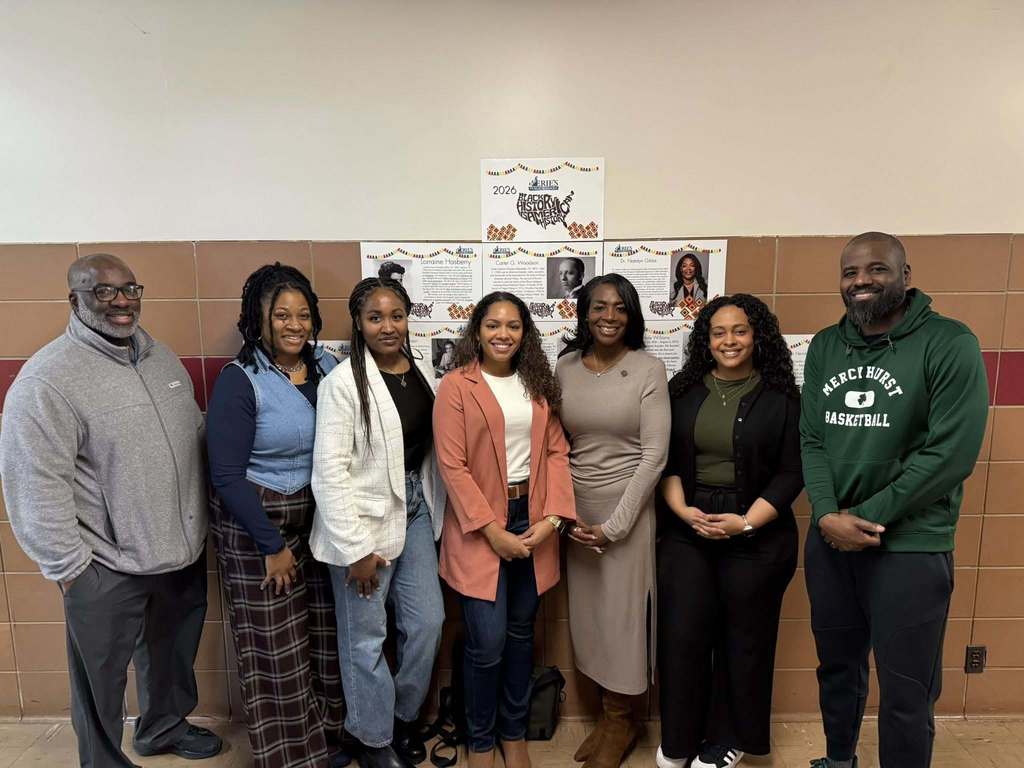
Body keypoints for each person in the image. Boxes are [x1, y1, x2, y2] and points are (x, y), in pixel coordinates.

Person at [0, 253, 221, 767]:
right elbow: (34, 483)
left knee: (170, 657)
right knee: (99, 677)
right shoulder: (48, 380)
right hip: (104, 565)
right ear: (73, 300)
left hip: (180, 550)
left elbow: (190, 435)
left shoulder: (160, 358)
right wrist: (71, 569)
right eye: (102, 291)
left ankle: (162, 727)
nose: (121, 301)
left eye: (129, 289)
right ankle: (101, 760)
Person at [800, 232, 989, 768]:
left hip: (909, 546)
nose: (861, 281)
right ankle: (839, 760)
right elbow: (812, 439)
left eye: (877, 269)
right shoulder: (826, 346)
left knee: (907, 690)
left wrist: (864, 517)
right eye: (850, 272)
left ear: (906, 275)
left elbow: (950, 456)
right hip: (831, 541)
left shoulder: (950, 342)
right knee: (837, 668)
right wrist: (826, 514)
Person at [206, 263, 347, 768]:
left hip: (319, 521)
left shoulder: (329, 368)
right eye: (280, 315)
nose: (293, 325)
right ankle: (293, 758)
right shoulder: (241, 381)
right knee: (278, 649)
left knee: (326, 637)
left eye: (303, 315)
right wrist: (272, 546)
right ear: (257, 321)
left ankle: (329, 741)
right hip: (258, 525)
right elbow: (225, 476)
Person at [656, 294, 802, 768]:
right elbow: (670, 462)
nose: (729, 341)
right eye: (718, 332)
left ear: (757, 335)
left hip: (757, 532)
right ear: (706, 339)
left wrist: (745, 522)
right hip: (688, 526)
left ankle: (729, 737)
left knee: (744, 641)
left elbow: (791, 472)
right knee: (684, 635)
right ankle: (679, 739)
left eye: (739, 330)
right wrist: (683, 512)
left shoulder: (781, 397)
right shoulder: (684, 391)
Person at [433, 291, 575, 768]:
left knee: (519, 636)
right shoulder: (456, 386)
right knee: (487, 642)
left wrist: (552, 520)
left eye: (513, 326)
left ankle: (513, 734)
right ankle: (479, 739)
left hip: (532, 522)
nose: (503, 334)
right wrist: (493, 532)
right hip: (482, 527)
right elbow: (452, 466)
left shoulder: (535, 383)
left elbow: (557, 452)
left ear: (524, 334)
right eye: (493, 325)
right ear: (477, 331)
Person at [311, 277, 446, 768]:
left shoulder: (422, 369)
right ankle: (371, 739)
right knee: (365, 638)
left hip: (414, 511)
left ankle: (401, 719)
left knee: (428, 623)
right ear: (359, 324)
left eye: (396, 316)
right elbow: (328, 472)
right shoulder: (341, 384)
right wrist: (355, 551)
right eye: (375, 318)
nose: (388, 326)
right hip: (361, 523)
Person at [555, 274, 670, 768]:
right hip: (577, 520)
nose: (609, 316)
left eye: (620, 308)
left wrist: (615, 525)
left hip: (627, 516)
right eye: (599, 306)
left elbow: (655, 456)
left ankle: (623, 720)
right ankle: (606, 715)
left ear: (632, 315)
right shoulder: (563, 368)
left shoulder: (648, 369)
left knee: (624, 621)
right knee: (591, 620)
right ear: (584, 312)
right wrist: (566, 517)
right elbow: (553, 446)